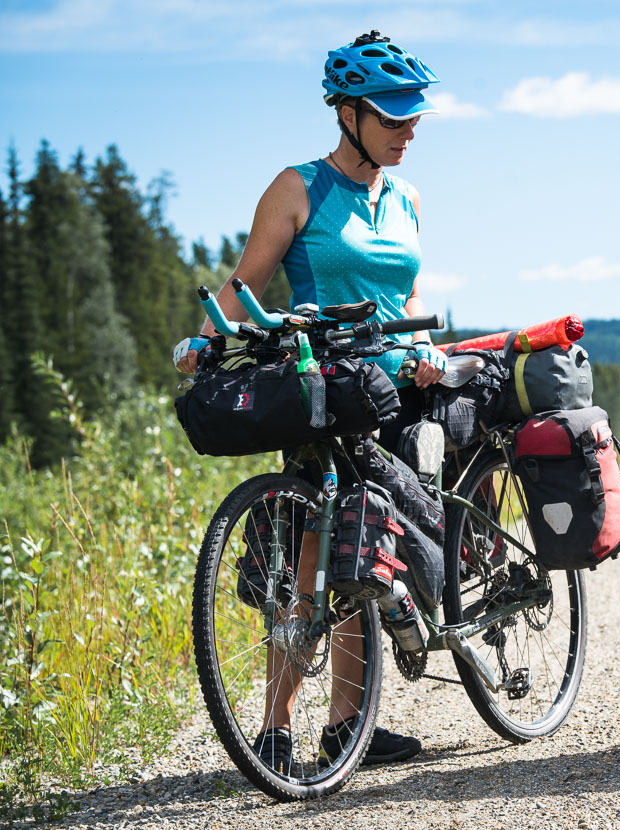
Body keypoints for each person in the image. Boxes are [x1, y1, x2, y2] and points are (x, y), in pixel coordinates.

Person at [173, 30, 448, 772]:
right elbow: (245, 282)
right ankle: (273, 731)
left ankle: (347, 725)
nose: (407, 131)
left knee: (368, 552)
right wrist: (205, 342)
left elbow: (408, 291)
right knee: (315, 553)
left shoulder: (407, 196)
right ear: (347, 114)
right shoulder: (299, 187)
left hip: (397, 386)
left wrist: (422, 350)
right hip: (327, 385)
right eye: (392, 118)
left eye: (413, 117)